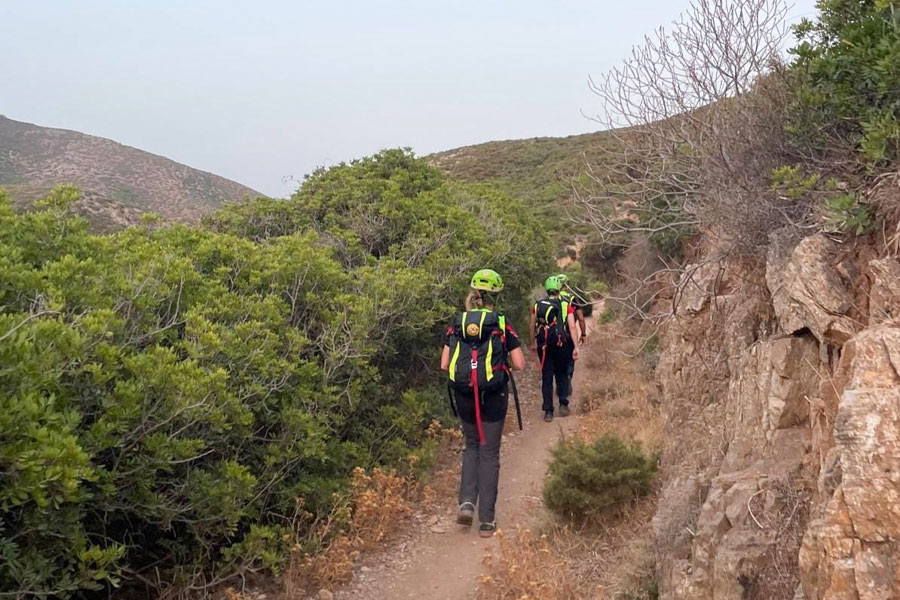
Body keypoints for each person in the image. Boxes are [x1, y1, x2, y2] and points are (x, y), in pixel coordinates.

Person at [441, 268, 525, 538]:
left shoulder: (457, 323)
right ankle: (486, 521)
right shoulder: (501, 323)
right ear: (495, 296)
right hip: (493, 395)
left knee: (472, 446)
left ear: (474, 293)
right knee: (489, 452)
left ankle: (466, 503)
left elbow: (444, 364)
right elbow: (520, 364)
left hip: (464, 394)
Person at [529, 276, 579, 422]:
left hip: (544, 345)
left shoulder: (537, 305)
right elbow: (572, 327)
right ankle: (563, 404)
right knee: (562, 373)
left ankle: (548, 411)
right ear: (559, 289)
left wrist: (532, 343)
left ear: (546, 289)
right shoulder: (565, 305)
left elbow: (531, 326)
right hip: (561, 344)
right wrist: (576, 346)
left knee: (547, 376)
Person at [556, 273, 587, 395]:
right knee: (570, 359)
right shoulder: (572, 299)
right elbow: (581, 318)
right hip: (569, 334)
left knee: (557, 359)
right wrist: (583, 334)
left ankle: (559, 383)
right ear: (567, 285)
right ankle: (568, 376)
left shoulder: (552, 298)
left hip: (555, 334)